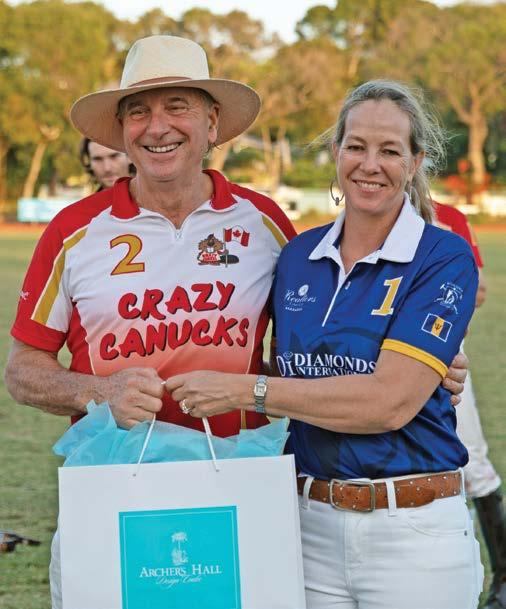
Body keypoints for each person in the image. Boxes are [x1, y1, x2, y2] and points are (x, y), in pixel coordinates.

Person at [4, 38, 466, 608]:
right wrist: (99, 391)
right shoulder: (73, 231)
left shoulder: (265, 225)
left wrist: (428, 362)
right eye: (139, 111)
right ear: (121, 129)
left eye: (177, 107)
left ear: (212, 122)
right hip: (114, 493)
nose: (158, 127)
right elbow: (22, 371)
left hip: (239, 494)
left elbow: (314, 340)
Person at [164, 80, 484, 608]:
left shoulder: (442, 256)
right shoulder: (297, 256)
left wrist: (248, 391)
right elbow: (279, 364)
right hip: (306, 524)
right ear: (336, 151)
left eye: (389, 151)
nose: (369, 165)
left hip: (413, 533)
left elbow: (388, 403)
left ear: (415, 162)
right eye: (356, 146)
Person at [435, 201, 505, 609]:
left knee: (472, 462)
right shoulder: (360, 219)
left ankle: (503, 577)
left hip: (442, 359)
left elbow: (477, 290)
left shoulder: (446, 217)